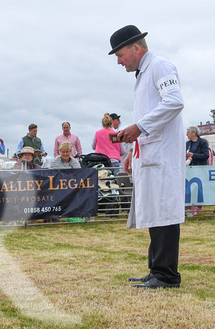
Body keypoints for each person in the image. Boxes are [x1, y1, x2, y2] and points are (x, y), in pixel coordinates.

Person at [111, 25, 185, 289]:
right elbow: (148, 114)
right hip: (149, 152)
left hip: (163, 155)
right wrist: (132, 150)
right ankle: (156, 269)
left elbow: (174, 102)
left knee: (164, 210)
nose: (119, 62)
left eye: (120, 55)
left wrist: (139, 128)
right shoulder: (144, 74)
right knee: (155, 209)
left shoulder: (160, 66)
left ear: (135, 48)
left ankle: (167, 275)